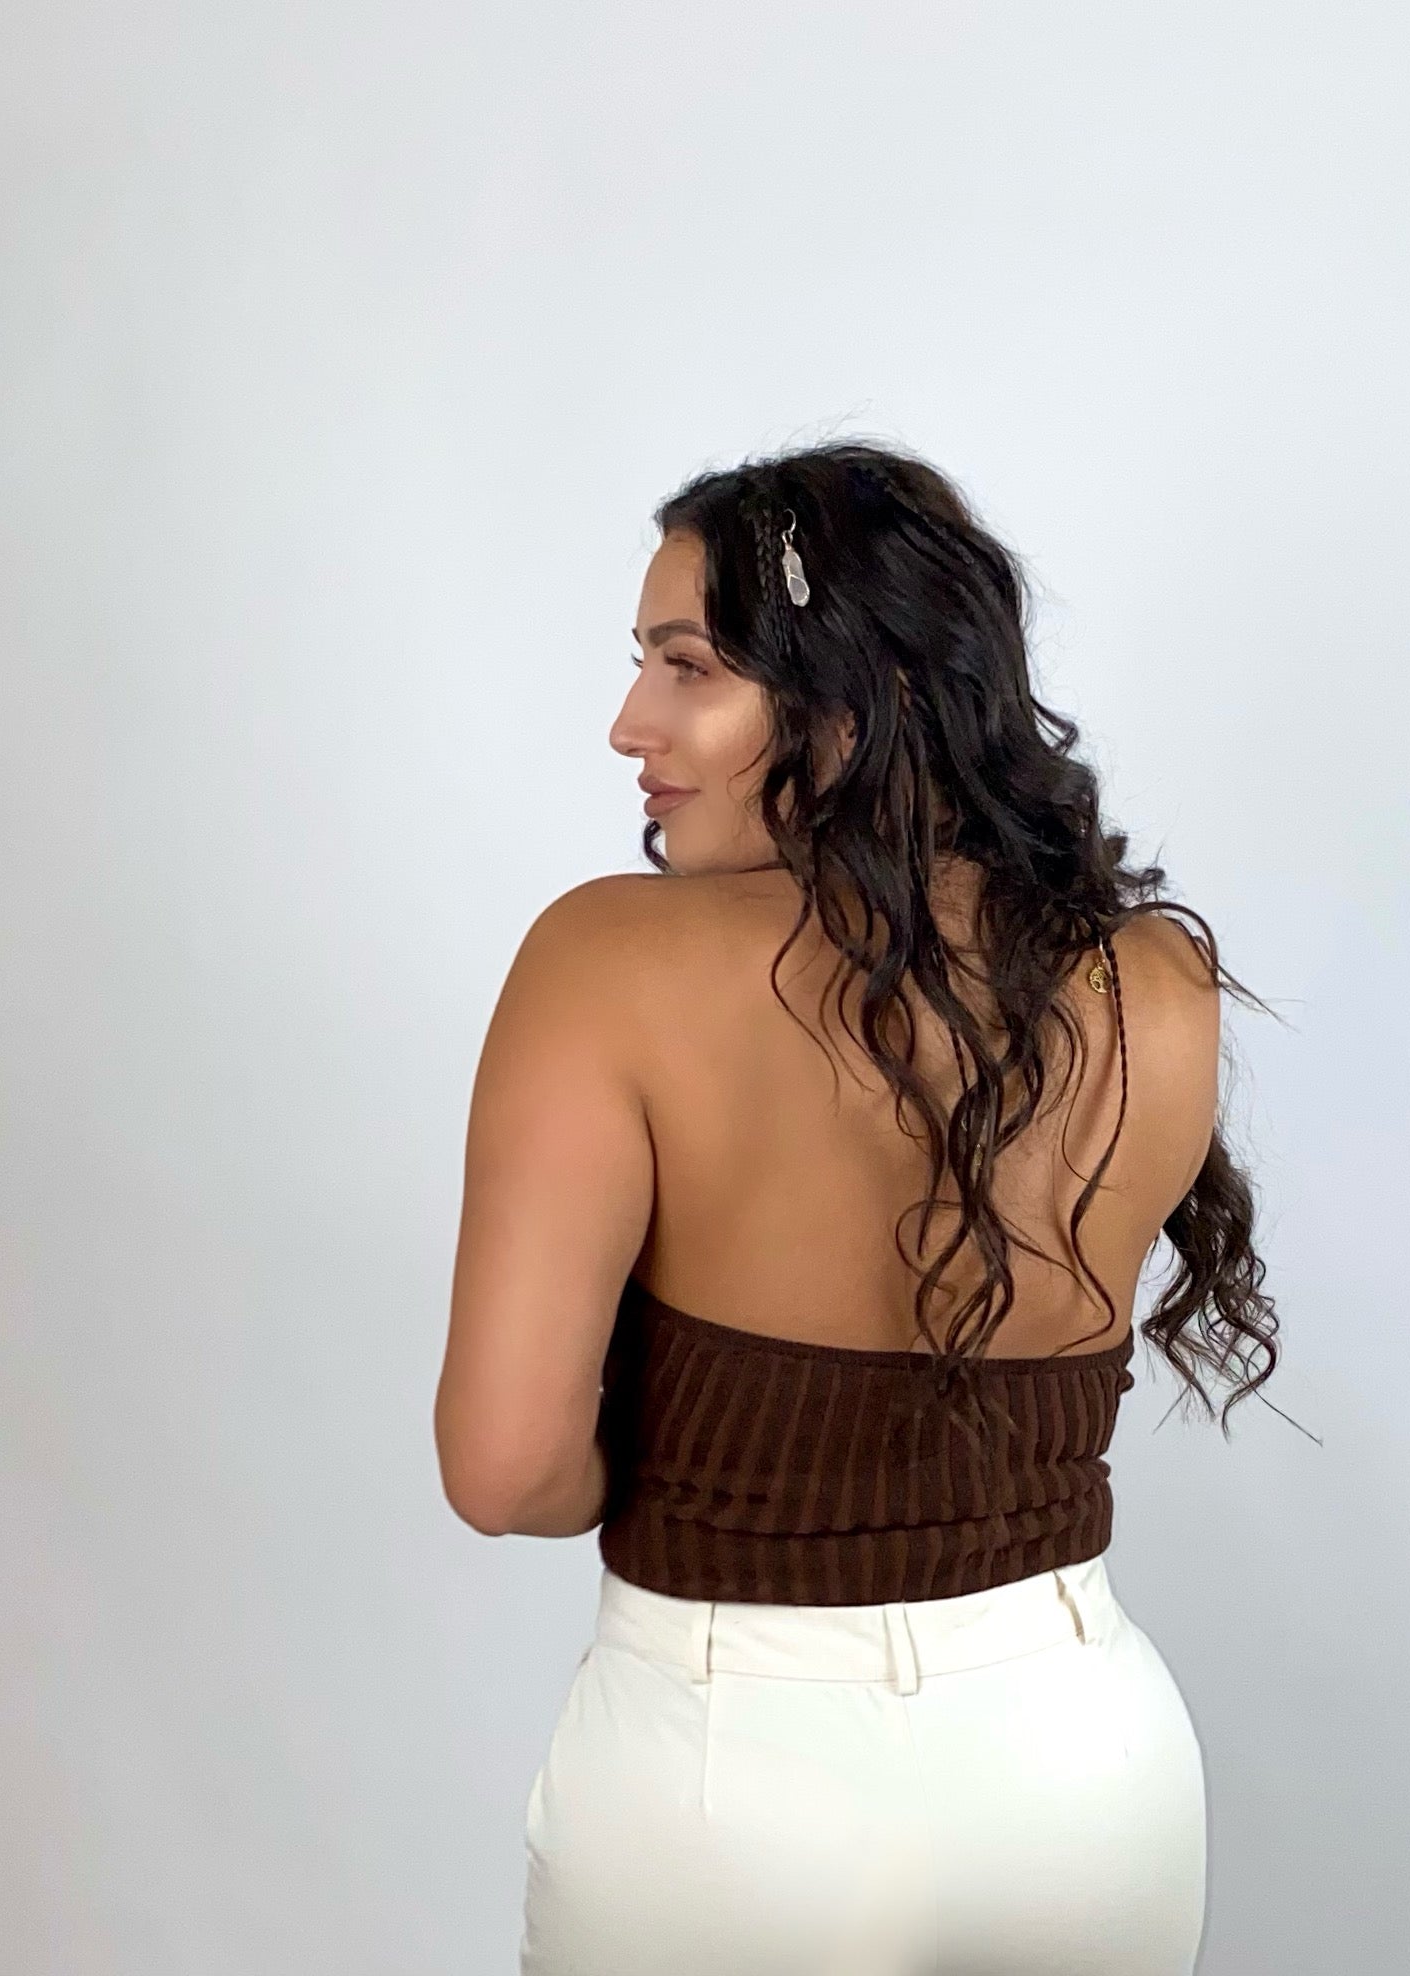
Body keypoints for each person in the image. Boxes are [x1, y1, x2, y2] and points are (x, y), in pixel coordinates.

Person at [434, 439, 1279, 1975]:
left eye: (687, 668)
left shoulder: (608, 963)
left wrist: (672, 1458)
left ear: (857, 693)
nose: (630, 724)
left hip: (727, 1785)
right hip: (1087, 1774)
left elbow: (506, 1471)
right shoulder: (1156, 979)